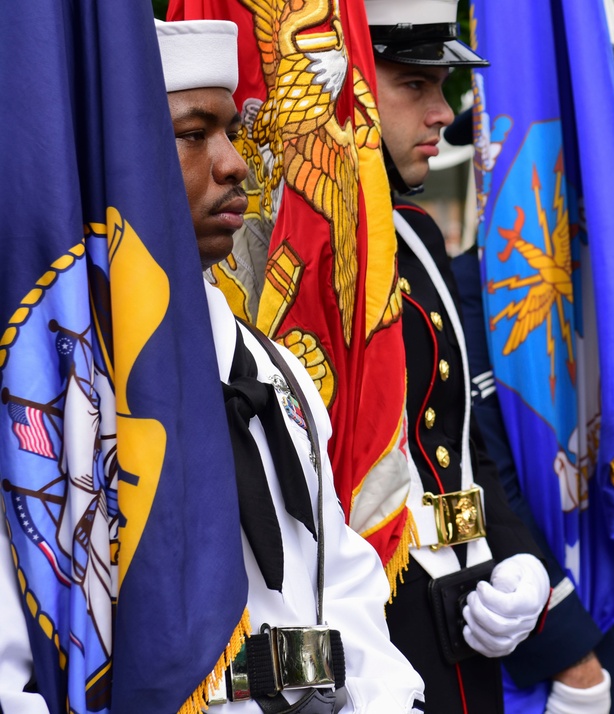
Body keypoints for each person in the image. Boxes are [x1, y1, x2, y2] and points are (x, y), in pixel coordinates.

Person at [3, 18, 425, 713]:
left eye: (230, 132)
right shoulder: (49, 390)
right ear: (120, 161)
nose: (234, 164)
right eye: (193, 135)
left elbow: (343, 584)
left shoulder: (276, 371)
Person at [444, 110, 614, 714]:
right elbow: (479, 484)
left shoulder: (601, 290)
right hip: (531, 646)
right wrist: (566, 650)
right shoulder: (449, 297)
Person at [366, 1, 551, 711]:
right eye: (414, 85)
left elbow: (455, 433)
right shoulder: (293, 247)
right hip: (378, 629)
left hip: (463, 614)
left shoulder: (412, 231)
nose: (444, 112)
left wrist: (518, 557)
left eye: (441, 86)